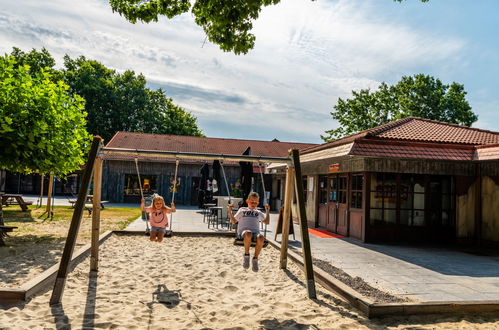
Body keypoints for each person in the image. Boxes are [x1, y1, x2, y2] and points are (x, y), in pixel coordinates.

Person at [228, 192, 270, 272]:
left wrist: (267, 211)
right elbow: (233, 221)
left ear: (258, 203)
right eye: (252, 202)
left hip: (255, 233)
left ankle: (255, 258)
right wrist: (229, 211)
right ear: (247, 201)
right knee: (248, 233)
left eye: (255, 202)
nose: (254, 204)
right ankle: (246, 255)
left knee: (261, 237)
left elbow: (266, 222)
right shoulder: (242, 210)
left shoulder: (258, 212)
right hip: (244, 233)